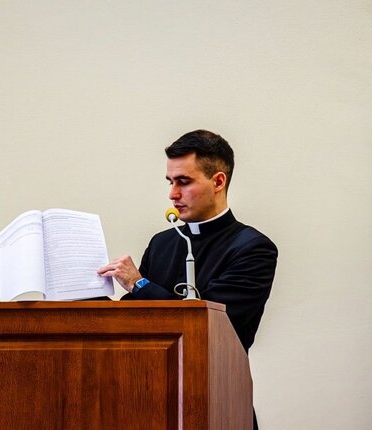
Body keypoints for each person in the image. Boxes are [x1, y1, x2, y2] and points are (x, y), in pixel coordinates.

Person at [98, 129, 278, 430]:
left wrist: (140, 284)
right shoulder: (162, 243)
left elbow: (209, 324)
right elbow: (133, 318)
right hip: (151, 401)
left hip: (218, 399)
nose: (172, 194)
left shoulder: (252, 248)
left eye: (183, 181)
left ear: (218, 182)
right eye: (170, 182)